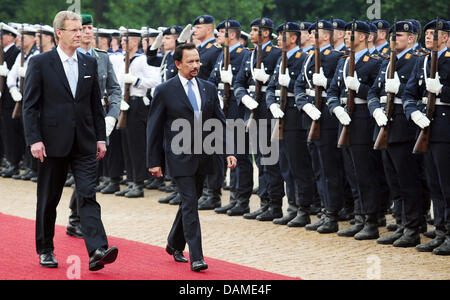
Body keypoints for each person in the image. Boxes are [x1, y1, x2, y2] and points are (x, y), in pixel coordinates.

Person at [22, 10, 118, 271]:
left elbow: (95, 105)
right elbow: (30, 106)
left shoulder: (89, 63)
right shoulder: (41, 63)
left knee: (88, 194)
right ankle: (45, 249)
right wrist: (34, 140)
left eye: (82, 29)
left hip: (85, 142)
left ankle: (97, 249)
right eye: (75, 30)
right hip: (52, 143)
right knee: (49, 198)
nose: (81, 34)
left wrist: (101, 137)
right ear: (59, 33)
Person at [147, 42, 237, 271]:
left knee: (191, 200)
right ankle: (196, 256)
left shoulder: (207, 87)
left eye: (198, 61)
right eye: (190, 62)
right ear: (178, 64)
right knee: (189, 202)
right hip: (178, 156)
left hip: (203, 154)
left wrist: (228, 150)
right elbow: (154, 128)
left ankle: (174, 243)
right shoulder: (165, 90)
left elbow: (219, 122)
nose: (196, 65)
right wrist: (153, 161)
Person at [367, 21, 426, 247]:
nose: (393, 40)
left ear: (411, 38)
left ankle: (412, 228)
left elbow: (418, 93)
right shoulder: (387, 61)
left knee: (408, 181)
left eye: (398, 36)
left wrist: (399, 89)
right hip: (384, 126)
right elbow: (374, 91)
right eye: (392, 36)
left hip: (404, 127)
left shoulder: (418, 60)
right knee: (394, 182)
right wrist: (375, 111)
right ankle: (401, 224)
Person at [66, 14, 122, 239]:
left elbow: (115, 89)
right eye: (83, 28)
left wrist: (112, 116)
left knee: (89, 174)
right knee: (85, 173)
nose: (87, 32)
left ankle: (76, 218)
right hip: (75, 122)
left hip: (98, 122)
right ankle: (76, 218)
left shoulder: (102, 58)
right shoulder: (70, 57)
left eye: (90, 27)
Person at [294, 20, 346, 233]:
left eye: (314, 33)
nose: (309, 36)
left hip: (327, 119)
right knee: (318, 168)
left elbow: (339, 86)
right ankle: (325, 210)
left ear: (326, 37)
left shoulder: (335, 57)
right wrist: (305, 105)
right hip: (311, 117)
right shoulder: (309, 58)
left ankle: (332, 213)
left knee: (329, 169)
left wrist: (325, 83)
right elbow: (298, 85)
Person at [403, 19, 450, 256]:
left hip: (445, 129)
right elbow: (410, 92)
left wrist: (442, 90)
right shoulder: (422, 61)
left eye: (434, 33)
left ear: (446, 37)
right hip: (425, 126)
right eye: (428, 32)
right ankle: (441, 232)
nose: (428, 36)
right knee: (433, 183)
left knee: (446, 183)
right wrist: (413, 114)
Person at [0, 23, 21, 178]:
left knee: (11, 132)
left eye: (4, 35)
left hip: (11, 99)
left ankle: (14, 162)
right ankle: (8, 159)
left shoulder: (15, 52)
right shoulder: (2, 52)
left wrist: (6, 74)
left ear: (11, 37)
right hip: (3, 98)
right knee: (4, 131)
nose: (2, 38)